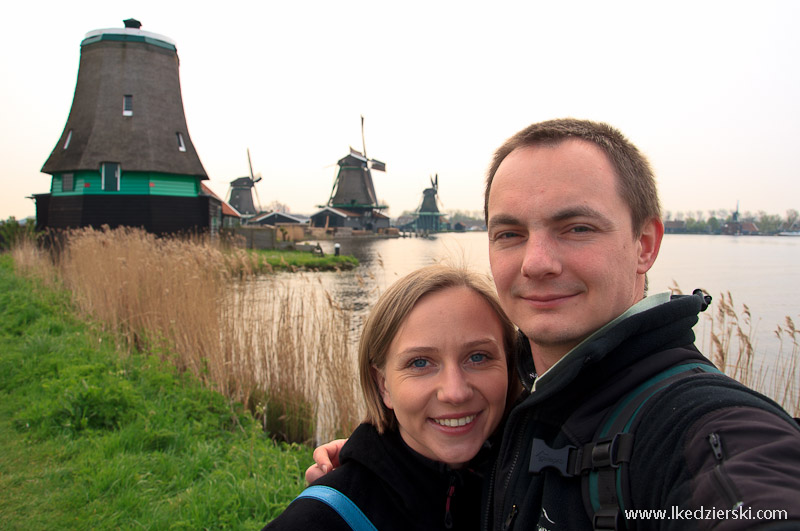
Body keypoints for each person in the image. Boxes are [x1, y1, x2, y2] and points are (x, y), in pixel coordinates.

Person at [308, 119, 800, 530]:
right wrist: (382, 459)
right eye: (510, 233)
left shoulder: (701, 428)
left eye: (577, 228)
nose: (537, 262)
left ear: (645, 243)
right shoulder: (522, 406)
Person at [263, 264, 520, 530]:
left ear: (512, 367)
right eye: (420, 363)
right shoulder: (319, 520)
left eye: (478, 357)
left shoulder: (540, 482)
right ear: (383, 385)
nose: (455, 392)